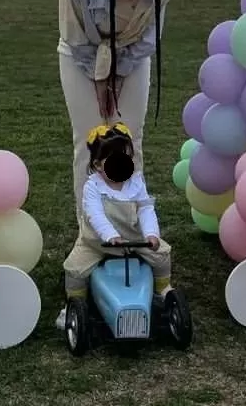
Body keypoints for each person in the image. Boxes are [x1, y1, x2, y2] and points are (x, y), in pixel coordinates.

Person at [58, 0, 175, 222]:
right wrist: (100, 82)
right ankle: (91, 228)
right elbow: (78, 39)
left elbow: (149, 38)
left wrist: (119, 75)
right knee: (90, 139)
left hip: (133, 55)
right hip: (81, 53)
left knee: (129, 136)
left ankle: (128, 223)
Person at [63, 123, 172, 302]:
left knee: (162, 255)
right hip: (97, 242)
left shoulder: (136, 183)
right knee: (74, 269)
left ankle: (163, 290)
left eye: (127, 157)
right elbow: (95, 214)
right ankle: (74, 305)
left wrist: (152, 234)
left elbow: (145, 209)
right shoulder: (93, 186)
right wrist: (110, 235)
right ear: (98, 165)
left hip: (133, 239)